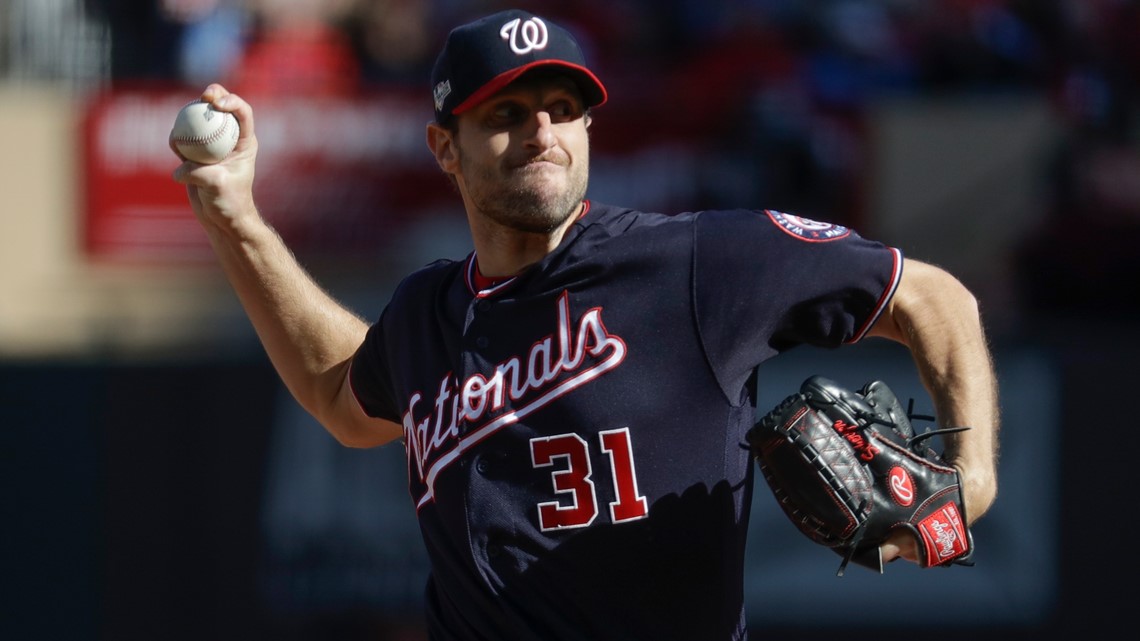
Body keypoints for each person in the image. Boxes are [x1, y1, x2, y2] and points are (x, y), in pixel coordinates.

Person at [171, 8, 999, 640]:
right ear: (443, 146)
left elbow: (933, 298)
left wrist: (972, 476)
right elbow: (337, 392)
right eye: (506, 114)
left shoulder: (699, 264)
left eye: (562, 108)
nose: (542, 134)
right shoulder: (425, 313)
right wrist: (235, 218)